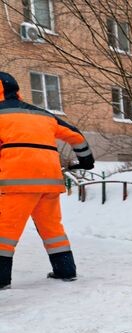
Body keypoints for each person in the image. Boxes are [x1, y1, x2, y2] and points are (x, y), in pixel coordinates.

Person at [0, 71, 95, 290]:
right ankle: (65, 270)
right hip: (50, 182)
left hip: (16, 183)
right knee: (52, 228)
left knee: (5, 232)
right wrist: (86, 160)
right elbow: (76, 135)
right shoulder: (43, 115)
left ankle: (1, 279)